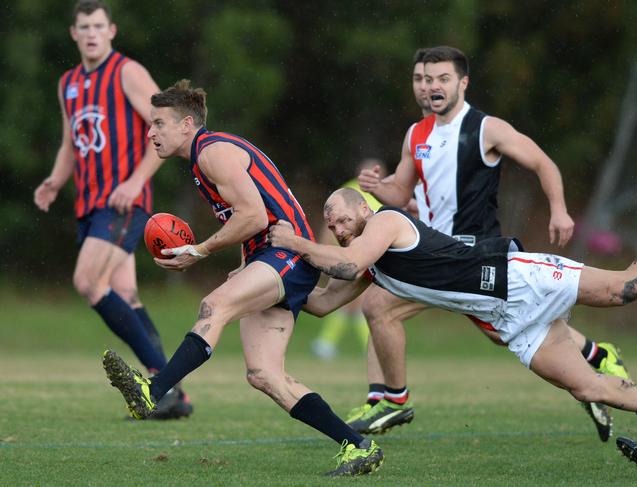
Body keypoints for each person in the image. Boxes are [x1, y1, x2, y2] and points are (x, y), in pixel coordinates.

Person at [101, 80, 384, 476]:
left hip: (286, 254)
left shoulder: (212, 153)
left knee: (213, 306)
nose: (151, 133)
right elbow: (251, 215)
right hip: (269, 255)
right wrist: (245, 261)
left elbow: (251, 215)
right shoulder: (206, 156)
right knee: (264, 375)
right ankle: (357, 446)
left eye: (158, 124)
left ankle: (152, 390)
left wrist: (200, 250)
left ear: (186, 124)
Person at [349, 45, 628, 439]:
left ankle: (391, 401)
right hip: (431, 253)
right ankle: (386, 401)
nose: (431, 87)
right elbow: (401, 191)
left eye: (442, 79)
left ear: (463, 82)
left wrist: (559, 209)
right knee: (384, 305)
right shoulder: (416, 134)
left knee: (491, 328)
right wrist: (381, 187)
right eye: (423, 79)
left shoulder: (486, 128)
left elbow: (542, 163)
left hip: (472, 252)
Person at [268, 188, 637, 468]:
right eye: (331, 225)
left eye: (343, 219)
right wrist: (268, 278)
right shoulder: (370, 264)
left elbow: (347, 263)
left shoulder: (386, 221)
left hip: (516, 278)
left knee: (624, 288)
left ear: (364, 209)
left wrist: (293, 242)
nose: (337, 228)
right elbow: (320, 304)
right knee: (586, 387)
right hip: (512, 322)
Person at [33, 0, 191, 419]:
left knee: (87, 281)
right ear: (74, 33)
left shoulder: (126, 72)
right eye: (83, 26)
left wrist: (137, 180)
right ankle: (174, 394)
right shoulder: (68, 82)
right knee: (124, 294)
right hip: (90, 204)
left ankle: (159, 384)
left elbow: (166, 125)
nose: (91, 33)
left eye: (98, 25)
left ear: (111, 31)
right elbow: (72, 143)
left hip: (121, 201)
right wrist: (55, 180)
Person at [310, 158, 386, 360]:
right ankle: (367, 346)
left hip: (372, 253)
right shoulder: (349, 193)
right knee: (355, 301)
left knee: (354, 303)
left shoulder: (383, 193)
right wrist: (325, 252)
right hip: (355, 253)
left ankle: (327, 343)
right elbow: (333, 224)